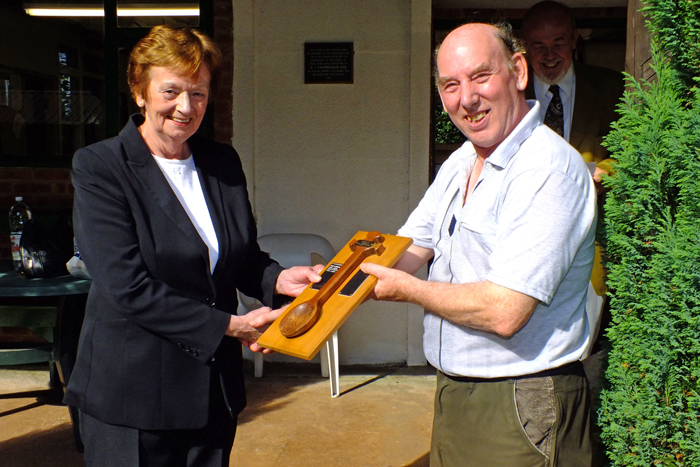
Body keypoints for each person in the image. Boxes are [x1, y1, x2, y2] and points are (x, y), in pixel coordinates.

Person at [63, 25, 321, 467]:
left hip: (211, 393)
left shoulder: (221, 161)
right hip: (133, 400)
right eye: (172, 91)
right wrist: (229, 326)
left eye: (198, 93)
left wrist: (277, 278)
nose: (186, 107)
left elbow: (239, 256)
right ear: (139, 92)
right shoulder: (101, 168)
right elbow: (127, 287)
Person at [361, 22, 598, 467]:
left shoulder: (546, 170)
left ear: (519, 72)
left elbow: (504, 310)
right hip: (456, 387)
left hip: (520, 401)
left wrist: (403, 289)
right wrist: (332, 288)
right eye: (450, 85)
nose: (466, 98)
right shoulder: (464, 158)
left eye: (480, 76)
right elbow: (413, 244)